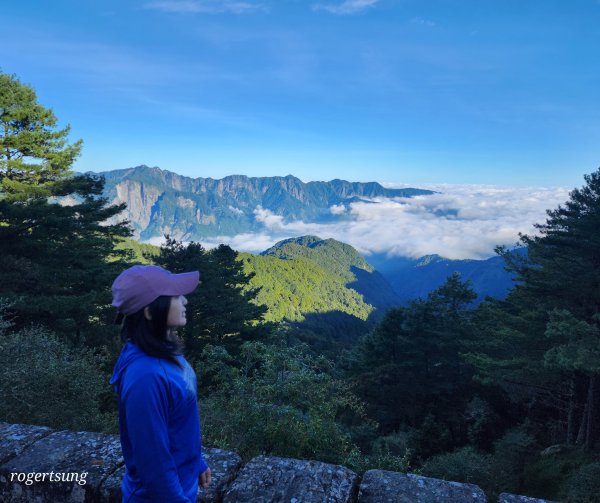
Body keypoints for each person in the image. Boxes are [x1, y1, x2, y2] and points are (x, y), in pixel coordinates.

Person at [109, 264, 212, 502]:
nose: (184, 301)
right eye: (175, 296)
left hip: (182, 484)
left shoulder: (163, 352)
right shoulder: (146, 377)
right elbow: (153, 464)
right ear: (149, 312)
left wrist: (196, 461)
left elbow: (176, 424)